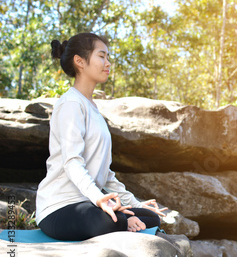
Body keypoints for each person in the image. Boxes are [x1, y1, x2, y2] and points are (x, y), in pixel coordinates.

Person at [36, 32, 167, 241]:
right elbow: (72, 162)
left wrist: (135, 204)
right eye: (101, 56)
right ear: (79, 61)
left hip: (88, 204)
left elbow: (105, 175)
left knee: (151, 217)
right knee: (104, 220)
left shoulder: (93, 109)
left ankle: (121, 218)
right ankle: (121, 220)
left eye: (108, 58)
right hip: (59, 207)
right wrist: (101, 201)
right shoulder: (71, 103)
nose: (108, 63)